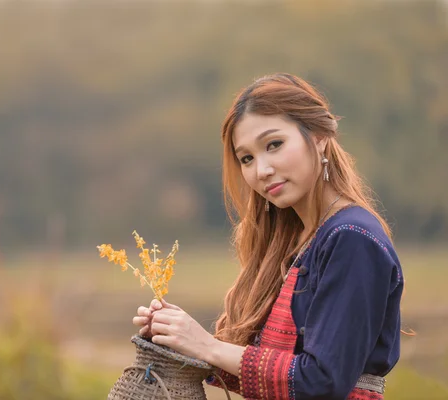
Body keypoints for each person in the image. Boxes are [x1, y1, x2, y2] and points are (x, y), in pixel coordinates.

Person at [132, 73, 404, 399]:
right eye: (246, 158)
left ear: (318, 136)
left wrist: (208, 346)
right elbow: (272, 370)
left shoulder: (352, 239)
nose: (261, 170)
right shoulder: (300, 242)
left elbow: (323, 382)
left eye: (274, 145)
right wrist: (179, 337)